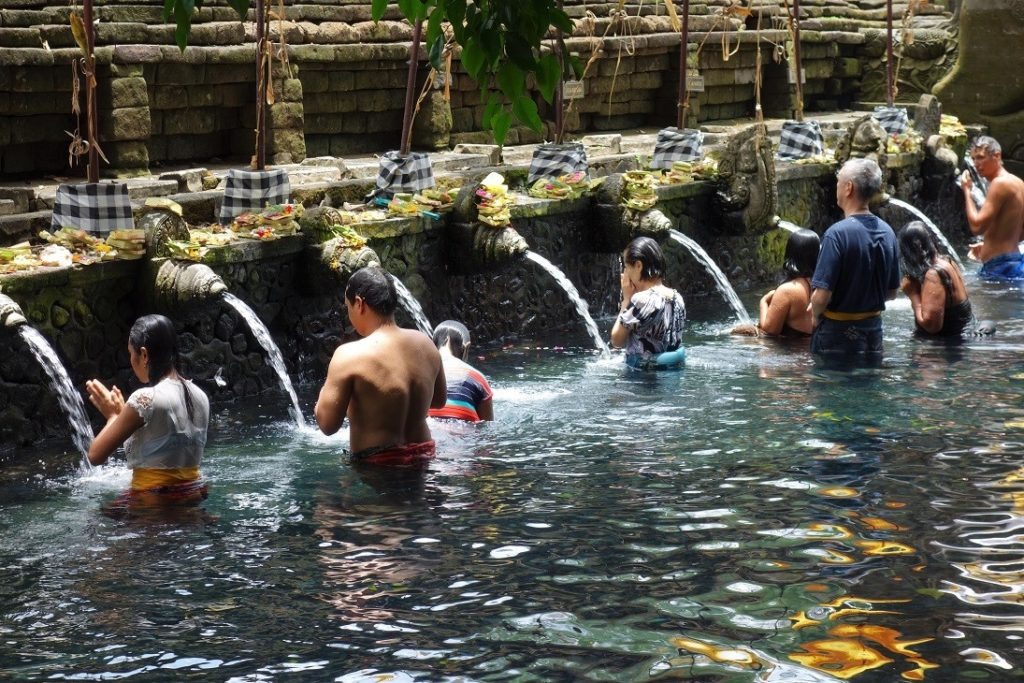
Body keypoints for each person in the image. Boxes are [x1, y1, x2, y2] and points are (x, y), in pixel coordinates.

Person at [315, 266, 446, 467]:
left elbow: (327, 424)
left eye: (347, 306)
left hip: (378, 465)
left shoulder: (349, 355)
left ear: (359, 304)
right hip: (424, 456)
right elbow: (438, 401)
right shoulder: (426, 344)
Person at [85, 314, 210, 510]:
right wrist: (123, 415)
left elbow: (94, 455)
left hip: (154, 503)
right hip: (194, 495)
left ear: (143, 355)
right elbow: (160, 444)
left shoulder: (145, 399)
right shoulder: (200, 396)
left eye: (131, 353)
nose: (131, 360)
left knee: (93, 526)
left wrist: (112, 417)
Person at [809, 158, 900, 360]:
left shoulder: (837, 235)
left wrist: (815, 315)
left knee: (833, 388)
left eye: (838, 182)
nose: (837, 188)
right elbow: (892, 292)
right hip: (874, 334)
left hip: (836, 335)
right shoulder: (888, 232)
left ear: (848, 187)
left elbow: (821, 296)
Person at [610, 236, 687, 370]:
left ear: (638, 265)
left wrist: (626, 300)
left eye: (626, 266)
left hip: (642, 377)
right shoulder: (677, 297)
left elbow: (616, 340)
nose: (625, 273)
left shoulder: (641, 300)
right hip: (672, 372)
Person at [732, 228, 820, 337]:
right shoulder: (820, 286)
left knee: (738, 334)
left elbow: (769, 331)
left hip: (791, 352)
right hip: (810, 347)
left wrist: (763, 302)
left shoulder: (789, 290)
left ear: (790, 252)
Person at [960, 136, 1024, 279]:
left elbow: (977, 226)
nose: (976, 164)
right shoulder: (1019, 183)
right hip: (1013, 261)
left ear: (997, 156)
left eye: (980, 158)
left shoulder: (999, 183)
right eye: (973, 159)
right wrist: (991, 243)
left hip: (1000, 266)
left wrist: (966, 190)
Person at [899, 221, 975, 338]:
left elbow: (932, 327)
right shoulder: (947, 261)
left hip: (951, 345)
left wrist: (913, 294)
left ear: (914, 249)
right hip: (965, 334)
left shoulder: (934, 274)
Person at [428, 320, 494, 422]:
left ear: (432, 343)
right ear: (466, 347)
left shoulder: (422, 373)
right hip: (464, 434)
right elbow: (488, 426)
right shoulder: (477, 378)